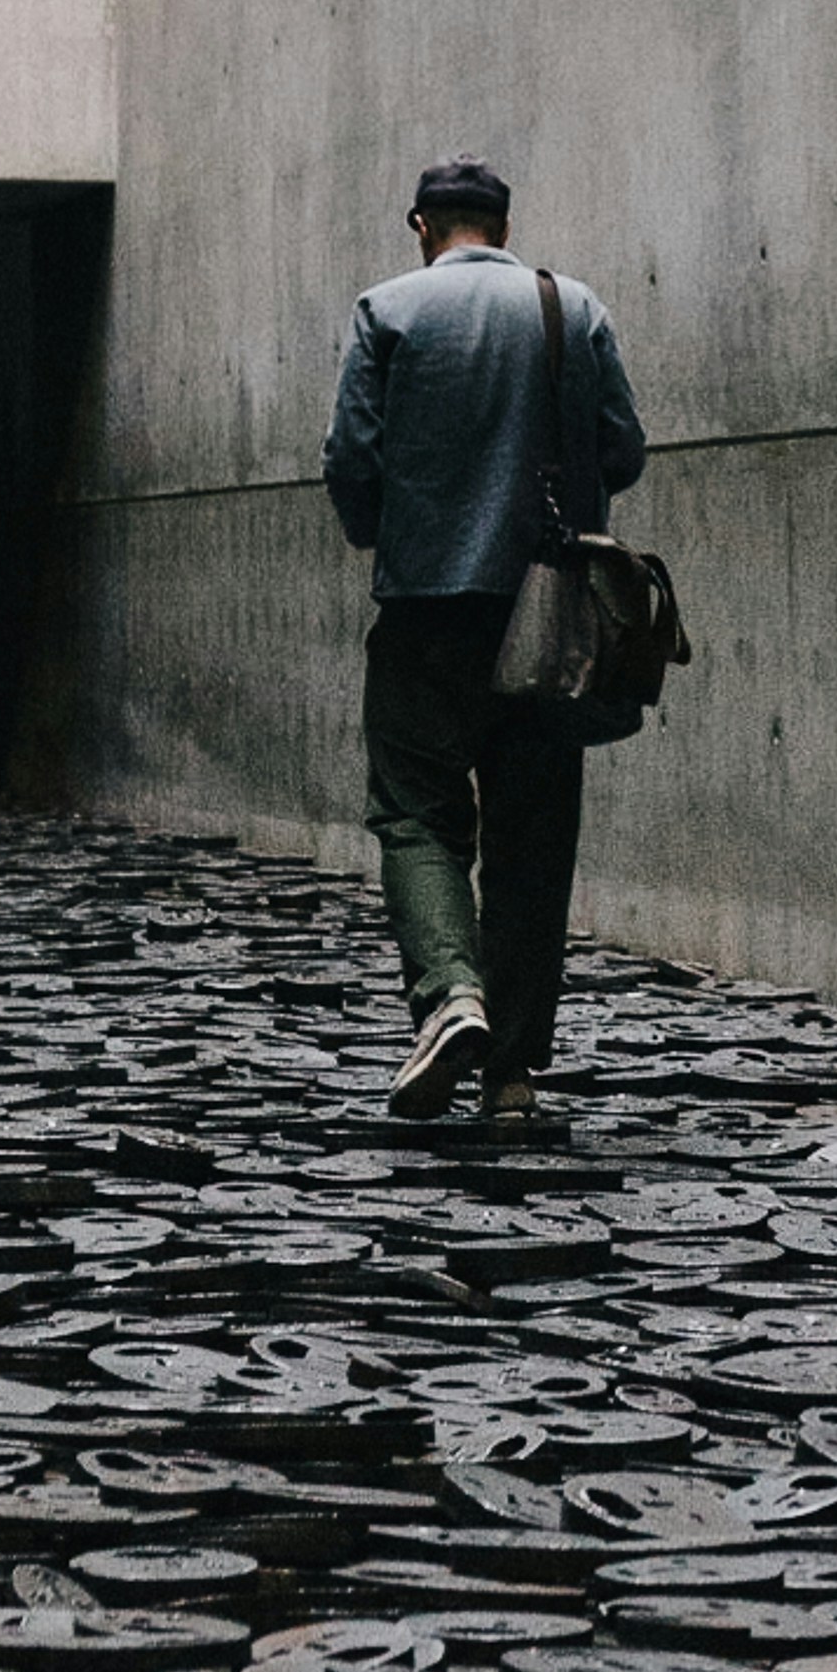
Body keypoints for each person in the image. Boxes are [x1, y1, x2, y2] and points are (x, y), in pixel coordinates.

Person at [322, 149, 649, 1129]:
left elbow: (351, 463)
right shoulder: (572, 306)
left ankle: (450, 995)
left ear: (421, 227)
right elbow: (623, 447)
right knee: (532, 838)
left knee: (416, 814)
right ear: (502, 228)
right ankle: (508, 1070)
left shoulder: (386, 310)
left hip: (426, 610)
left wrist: (401, 525)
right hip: (550, 621)